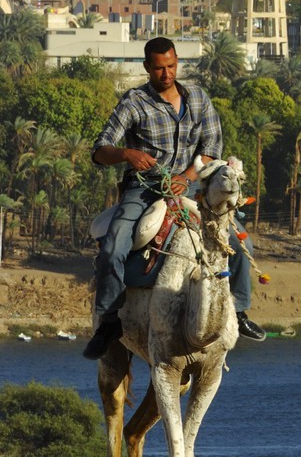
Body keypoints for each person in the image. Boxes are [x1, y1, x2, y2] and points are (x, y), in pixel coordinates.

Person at [81, 37, 264, 360]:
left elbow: (211, 151)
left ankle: (239, 312)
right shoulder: (134, 102)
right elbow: (99, 150)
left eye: (171, 66)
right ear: (147, 67)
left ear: (177, 62)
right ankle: (109, 321)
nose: (166, 74)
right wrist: (127, 153)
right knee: (113, 246)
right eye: (159, 68)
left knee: (240, 244)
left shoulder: (198, 99)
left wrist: (187, 178)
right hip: (145, 188)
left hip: (193, 189)